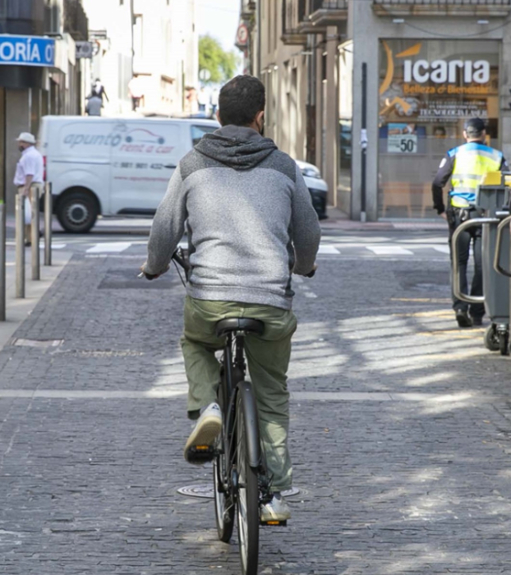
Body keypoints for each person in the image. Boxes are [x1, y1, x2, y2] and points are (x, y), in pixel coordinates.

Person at [140, 75, 321, 523]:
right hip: (269, 303)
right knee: (272, 392)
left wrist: (155, 265)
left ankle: (210, 406)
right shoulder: (283, 166)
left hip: (210, 301)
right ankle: (274, 495)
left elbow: (164, 230)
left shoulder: (192, 162)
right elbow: (308, 233)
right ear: (261, 117)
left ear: (217, 116)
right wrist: (302, 266)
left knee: (196, 343)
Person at [432, 117, 507, 328]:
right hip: (485, 215)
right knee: (483, 264)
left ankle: (459, 307)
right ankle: (477, 312)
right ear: (484, 134)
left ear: (465, 134)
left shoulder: (454, 154)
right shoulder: (497, 156)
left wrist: (440, 209)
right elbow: (506, 184)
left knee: (459, 262)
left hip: (459, 215)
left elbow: (438, 182)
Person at [14, 132, 44, 243]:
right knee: (29, 213)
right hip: (33, 185)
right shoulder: (34, 154)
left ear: (26, 143)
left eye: (21, 142)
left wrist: (26, 189)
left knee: (26, 213)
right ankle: (30, 238)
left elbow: (29, 174)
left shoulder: (29, 156)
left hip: (30, 185)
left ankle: (30, 237)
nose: (19, 144)